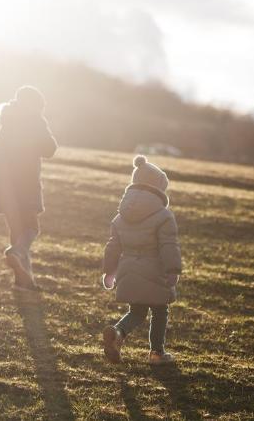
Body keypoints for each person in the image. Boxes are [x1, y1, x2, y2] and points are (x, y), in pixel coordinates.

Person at [100, 155, 182, 365]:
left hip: (128, 271)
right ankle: (157, 353)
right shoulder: (163, 216)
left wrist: (109, 271)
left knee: (136, 311)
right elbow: (168, 245)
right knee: (160, 310)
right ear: (158, 188)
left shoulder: (120, 217)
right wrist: (173, 270)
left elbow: (113, 246)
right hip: (155, 271)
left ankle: (118, 333)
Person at [0, 86, 58, 291]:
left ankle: (23, 282)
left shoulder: (5, 123)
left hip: (4, 188)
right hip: (25, 186)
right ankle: (17, 253)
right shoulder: (34, 121)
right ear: (34, 105)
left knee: (17, 232)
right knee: (31, 229)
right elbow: (50, 149)